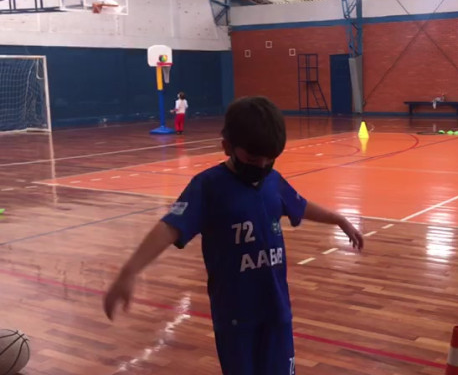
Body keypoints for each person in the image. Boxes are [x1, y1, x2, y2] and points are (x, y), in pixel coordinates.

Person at [103, 96, 365, 375]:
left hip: (276, 313)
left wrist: (338, 219)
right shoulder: (208, 186)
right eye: (253, 159)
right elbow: (169, 227)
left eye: (270, 159)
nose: (262, 165)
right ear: (226, 146)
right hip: (235, 320)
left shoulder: (272, 181)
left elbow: (298, 204)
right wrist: (129, 272)